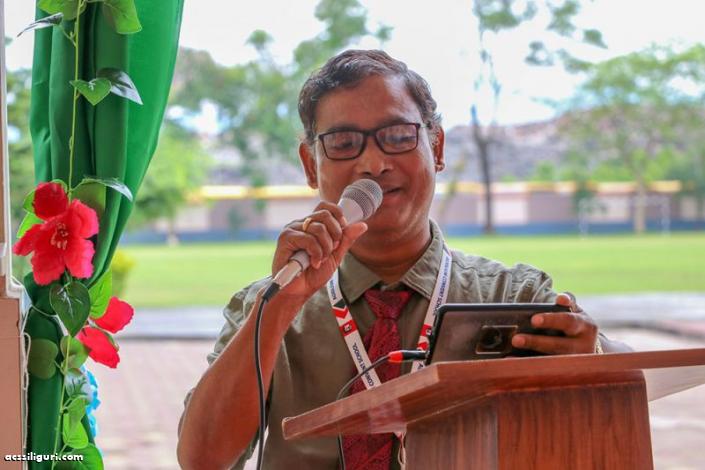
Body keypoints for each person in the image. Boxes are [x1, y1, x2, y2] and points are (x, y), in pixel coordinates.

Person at [177, 49, 630, 470]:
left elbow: (633, 379)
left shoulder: (512, 297)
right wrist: (279, 307)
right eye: (344, 142)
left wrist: (588, 357)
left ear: (437, 148)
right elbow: (202, 459)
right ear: (311, 165)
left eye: (396, 136)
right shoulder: (268, 305)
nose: (373, 163)